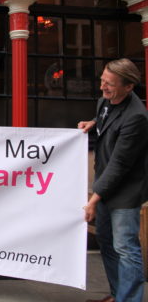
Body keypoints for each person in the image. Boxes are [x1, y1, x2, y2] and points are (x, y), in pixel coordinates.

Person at [78, 58, 148, 302]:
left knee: (126, 248)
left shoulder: (137, 117)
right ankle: (118, 294)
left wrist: (93, 200)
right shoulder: (104, 102)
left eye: (110, 84)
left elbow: (120, 165)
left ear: (128, 87)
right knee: (106, 242)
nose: (102, 87)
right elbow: (109, 120)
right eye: (102, 81)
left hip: (124, 192)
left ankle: (130, 299)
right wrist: (93, 123)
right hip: (105, 186)